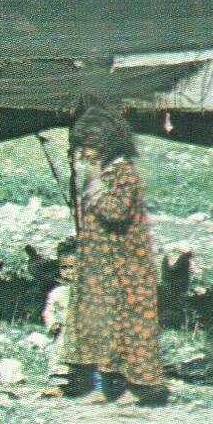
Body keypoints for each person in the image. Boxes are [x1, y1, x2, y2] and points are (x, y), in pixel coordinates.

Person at [68, 107, 167, 406]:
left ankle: (128, 389)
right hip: (101, 267)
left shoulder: (124, 174)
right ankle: (102, 386)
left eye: (90, 147)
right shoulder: (102, 174)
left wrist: (96, 185)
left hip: (125, 268)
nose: (85, 153)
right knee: (99, 324)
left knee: (125, 327)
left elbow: (115, 211)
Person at [40, 237, 80, 396]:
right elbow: (48, 311)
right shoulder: (58, 293)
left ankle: (83, 384)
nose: (69, 272)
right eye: (64, 268)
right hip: (64, 332)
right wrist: (52, 323)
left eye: (73, 267)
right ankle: (59, 384)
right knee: (60, 358)